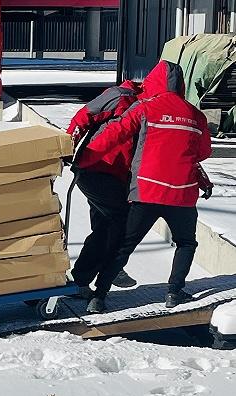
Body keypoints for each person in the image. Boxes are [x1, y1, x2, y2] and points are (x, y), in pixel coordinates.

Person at [82, 60, 212, 313]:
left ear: (153, 81)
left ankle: (99, 297)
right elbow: (203, 151)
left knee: (124, 244)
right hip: (183, 193)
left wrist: (84, 159)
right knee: (185, 243)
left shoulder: (145, 107)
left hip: (147, 190)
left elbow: (114, 133)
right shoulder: (196, 115)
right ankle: (174, 292)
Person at [66, 79, 144, 298]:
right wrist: (66, 147)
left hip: (115, 172)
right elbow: (84, 116)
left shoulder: (146, 104)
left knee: (105, 225)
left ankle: (94, 273)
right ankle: (86, 276)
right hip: (96, 168)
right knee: (118, 221)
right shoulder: (120, 95)